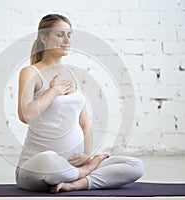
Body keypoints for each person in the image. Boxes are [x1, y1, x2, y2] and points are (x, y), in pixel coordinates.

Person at [15, 13, 143, 193]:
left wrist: (86, 155)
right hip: (38, 168)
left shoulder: (71, 75)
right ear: (43, 38)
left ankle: (75, 183)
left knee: (135, 165)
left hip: (70, 164)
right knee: (50, 161)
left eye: (69, 35)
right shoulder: (30, 72)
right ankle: (86, 172)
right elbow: (25, 115)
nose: (67, 40)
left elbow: (84, 123)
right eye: (60, 34)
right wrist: (54, 91)